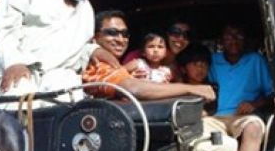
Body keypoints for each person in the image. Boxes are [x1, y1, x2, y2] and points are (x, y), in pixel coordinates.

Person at [82, 10, 215, 102]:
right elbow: (133, 88)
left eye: (125, 34)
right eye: (112, 32)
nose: (120, 39)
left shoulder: (114, 67)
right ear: (95, 37)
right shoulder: (98, 65)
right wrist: (192, 89)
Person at [207, 23, 274, 151]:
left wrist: (254, 104)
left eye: (239, 36)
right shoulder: (212, 61)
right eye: (229, 36)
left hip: (243, 117)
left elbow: (272, 95)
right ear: (221, 40)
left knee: (254, 128)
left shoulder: (256, 60)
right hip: (215, 118)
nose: (234, 41)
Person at [176, 43, 238, 151]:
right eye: (195, 64)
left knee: (229, 146)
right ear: (183, 69)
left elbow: (208, 112)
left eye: (204, 65)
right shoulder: (176, 88)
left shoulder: (211, 89)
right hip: (179, 134)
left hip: (200, 131)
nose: (201, 68)